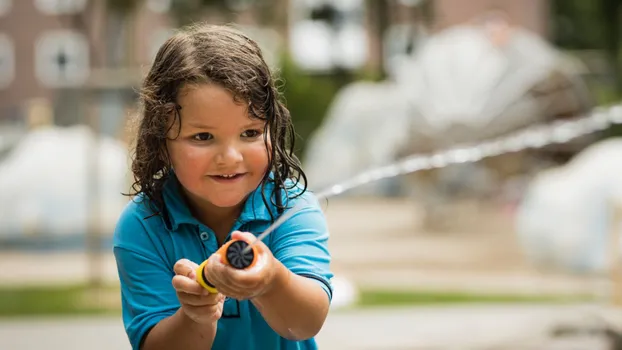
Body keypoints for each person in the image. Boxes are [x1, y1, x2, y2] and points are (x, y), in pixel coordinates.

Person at [113, 23, 333, 350]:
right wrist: (194, 316)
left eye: (250, 133)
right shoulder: (143, 226)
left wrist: (271, 281)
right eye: (203, 137)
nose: (230, 158)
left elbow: (303, 322)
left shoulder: (291, 207)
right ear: (161, 142)